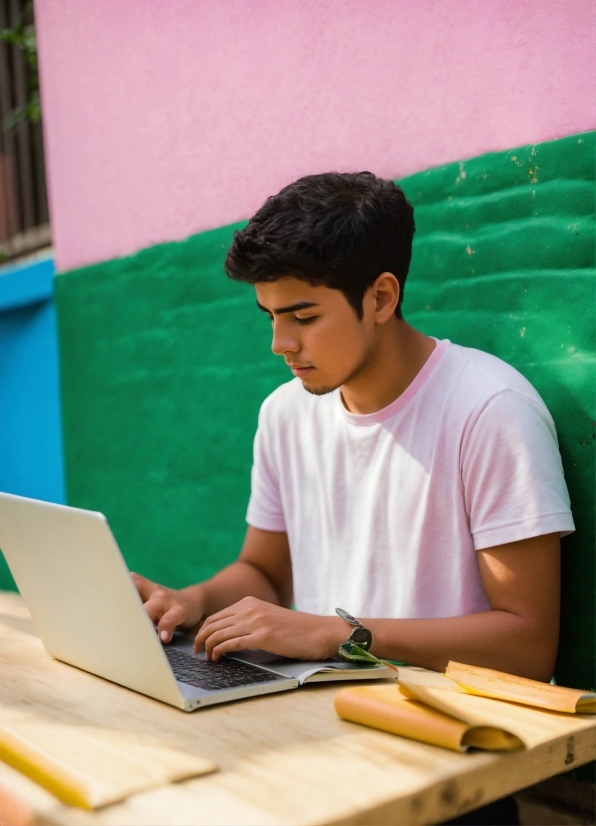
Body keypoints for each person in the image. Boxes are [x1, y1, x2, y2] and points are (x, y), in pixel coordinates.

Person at [133, 171, 573, 683]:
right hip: (321, 715)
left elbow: (528, 647)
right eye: (269, 317)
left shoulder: (490, 410)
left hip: (448, 729)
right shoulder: (283, 414)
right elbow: (266, 574)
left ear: (382, 298)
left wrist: (341, 633)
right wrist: (192, 601)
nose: (280, 343)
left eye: (302, 317)